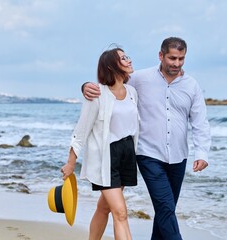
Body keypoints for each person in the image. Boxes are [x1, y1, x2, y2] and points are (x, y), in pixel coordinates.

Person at [82, 37, 211, 240]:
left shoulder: (191, 85)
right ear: (161, 56)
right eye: (172, 58)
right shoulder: (140, 79)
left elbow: (200, 122)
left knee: (165, 210)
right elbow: (110, 85)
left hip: (178, 157)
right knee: (166, 208)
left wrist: (201, 153)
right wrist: (86, 87)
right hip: (148, 154)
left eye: (181, 59)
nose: (176, 64)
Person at [62, 46, 139, 240]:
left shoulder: (131, 92)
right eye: (123, 58)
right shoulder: (97, 95)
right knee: (120, 213)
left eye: (127, 57)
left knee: (104, 208)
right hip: (107, 158)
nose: (129, 60)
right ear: (112, 66)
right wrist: (71, 163)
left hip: (127, 154)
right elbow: (81, 131)